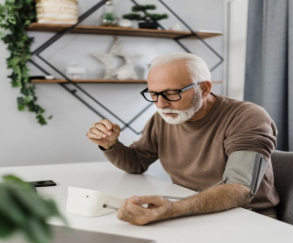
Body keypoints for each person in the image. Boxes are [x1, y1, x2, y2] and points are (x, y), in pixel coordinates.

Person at [86, 53, 280, 226]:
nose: (161, 104)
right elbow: (136, 163)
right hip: (192, 212)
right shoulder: (164, 117)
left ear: (203, 89)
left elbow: (240, 189)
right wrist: (110, 144)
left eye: (171, 93)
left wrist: (174, 209)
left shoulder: (247, 117)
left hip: (248, 218)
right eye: (154, 94)